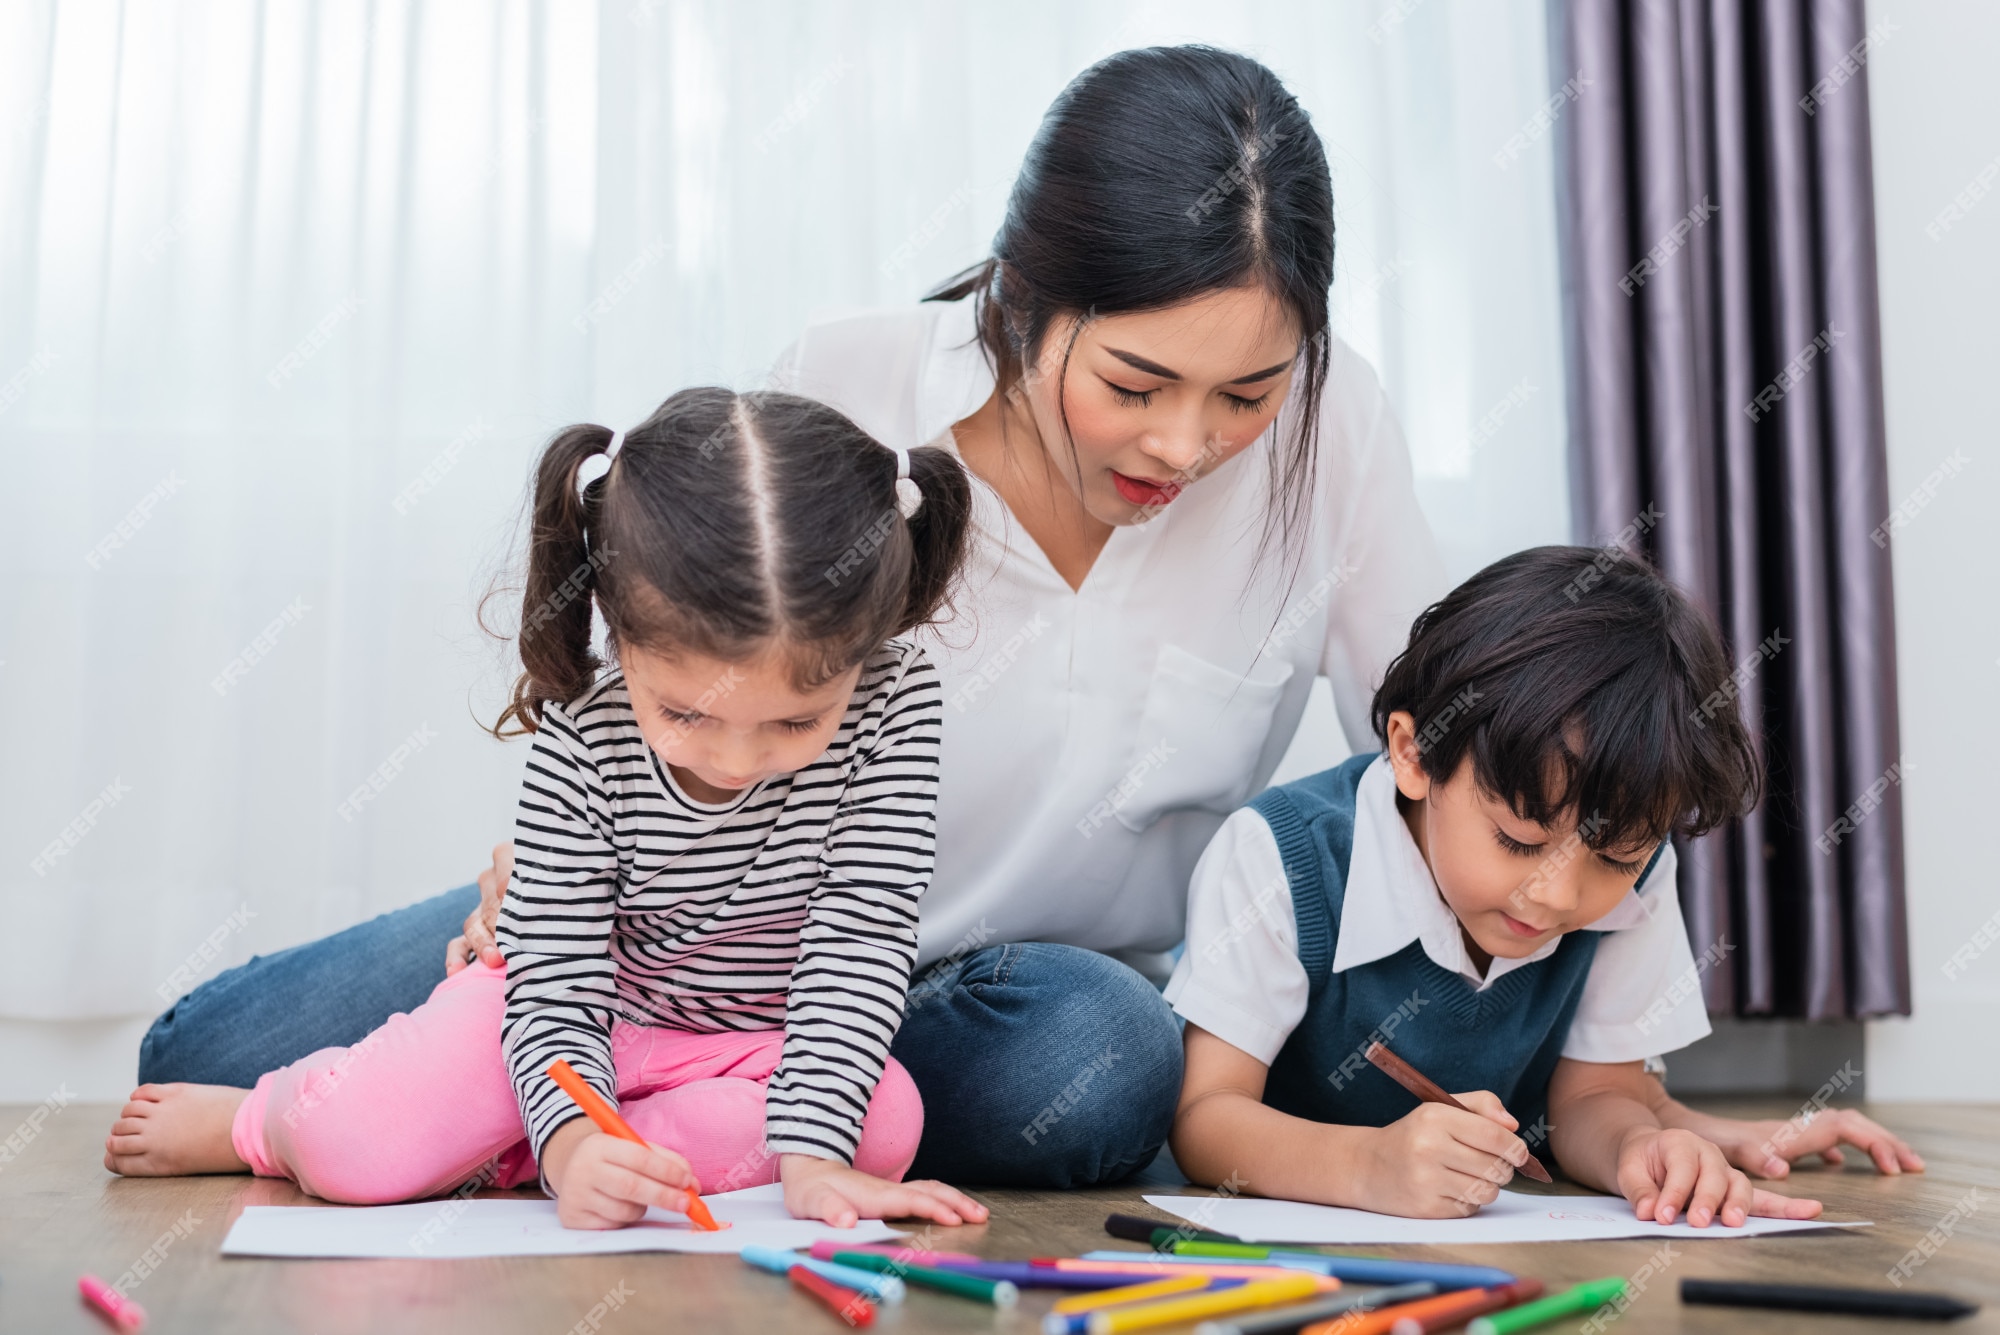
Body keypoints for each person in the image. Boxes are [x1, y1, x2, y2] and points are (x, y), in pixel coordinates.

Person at [137, 45, 1452, 1187]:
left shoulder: (1338, 435)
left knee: (1103, 1058)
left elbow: (1437, 747)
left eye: (1248, 393)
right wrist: (557, 881)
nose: (1190, 438)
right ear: (1024, 295)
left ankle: (620, 1118)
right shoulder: (851, 383)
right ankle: (627, 1103)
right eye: (1137, 381)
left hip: (958, 999)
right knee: (199, 1057)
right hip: (681, 928)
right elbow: (679, 672)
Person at [105, 388, 989, 1231]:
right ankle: (259, 1122)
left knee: (879, 1125)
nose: (735, 759)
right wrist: (574, 1129)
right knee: (348, 1151)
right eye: (686, 714)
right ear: (616, 626)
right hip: (571, 1012)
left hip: (747, 1046)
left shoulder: (896, 697)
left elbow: (860, 935)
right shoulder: (585, 722)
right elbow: (557, 973)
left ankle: (515, 1154)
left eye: (797, 721)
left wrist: (815, 1157)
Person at [1167, 547, 1925, 1223]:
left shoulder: (1643, 872)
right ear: (1413, 752)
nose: (1560, 898)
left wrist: (1639, 1146)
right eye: (1518, 840)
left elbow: (1593, 1099)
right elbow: (1205, 1116)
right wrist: (1368, 1167)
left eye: (1617, 858)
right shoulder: (1280, 855)